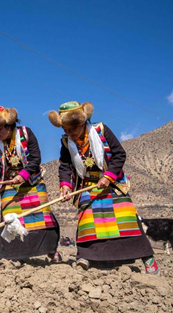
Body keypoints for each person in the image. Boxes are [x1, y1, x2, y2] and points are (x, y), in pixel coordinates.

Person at [48, 101, 158, 273]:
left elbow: (119, 154)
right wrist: (65, 186)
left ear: (82, 123)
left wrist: (107, 177)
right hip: (87, 185)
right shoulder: (65, 142)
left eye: (73, 129)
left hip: (111, 183)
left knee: (126, 219)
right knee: (87, 220)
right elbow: (64, 166)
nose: (70, 133)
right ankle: (87, 257)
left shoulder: (101, 131)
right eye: (65, 130)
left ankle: (148, 259)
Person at [0, 106, 61, 262]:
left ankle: (51, 250)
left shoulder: (26, 134)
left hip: (32, 180)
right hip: (9, 183)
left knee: (43, 214)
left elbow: (36, 158)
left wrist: (23, 175)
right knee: (9, 217)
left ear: (9, 125)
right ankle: (13, 253)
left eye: (0, 129)